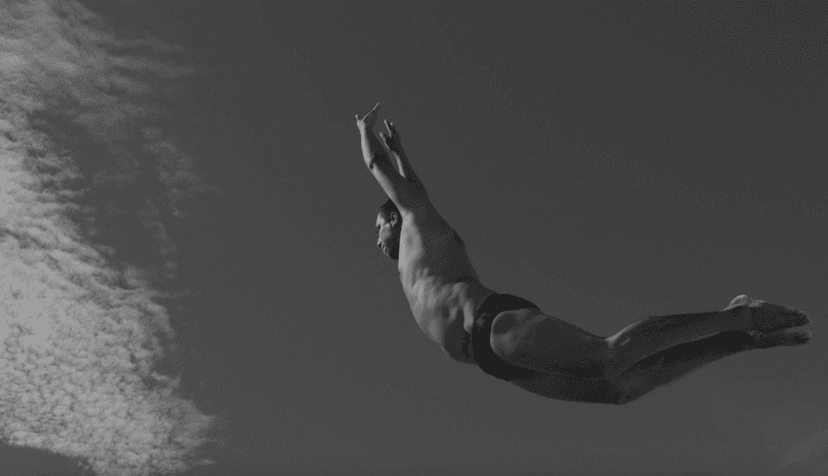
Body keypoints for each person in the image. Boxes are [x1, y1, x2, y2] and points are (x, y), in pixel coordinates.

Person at [356, 103, 812, 405]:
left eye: (377, 228)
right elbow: (410, 185)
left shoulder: (418, 224)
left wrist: (370, 136)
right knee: (618, 390)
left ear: (393, 218)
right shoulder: (411, 255)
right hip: (495, 364)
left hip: (492, 327)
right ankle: (736, 339)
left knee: (605, 357)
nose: (376, 241)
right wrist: (402, 156)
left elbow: (389, 175)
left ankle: (738, 317)